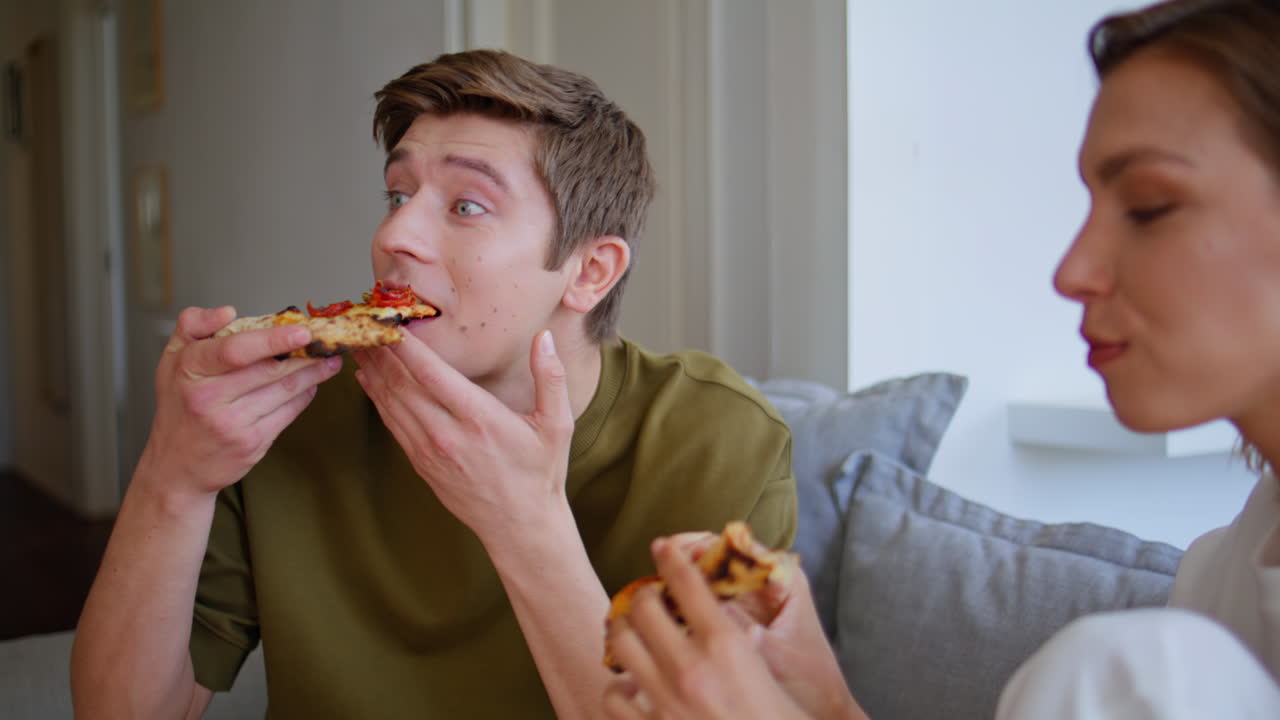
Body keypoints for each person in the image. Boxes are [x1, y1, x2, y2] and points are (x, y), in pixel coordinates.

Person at [600, 0, 1280, 718]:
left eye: (1148, 206)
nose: (1072, 269)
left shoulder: (1155, 671)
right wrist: (826, 702)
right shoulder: (1232, 572)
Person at [70, 49, 797, 720]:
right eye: (397, 195)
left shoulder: (721, 441)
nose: (394, 238)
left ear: (590, 271)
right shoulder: (282, 411)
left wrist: (523, 524)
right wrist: (172, 474)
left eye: (466, 205)